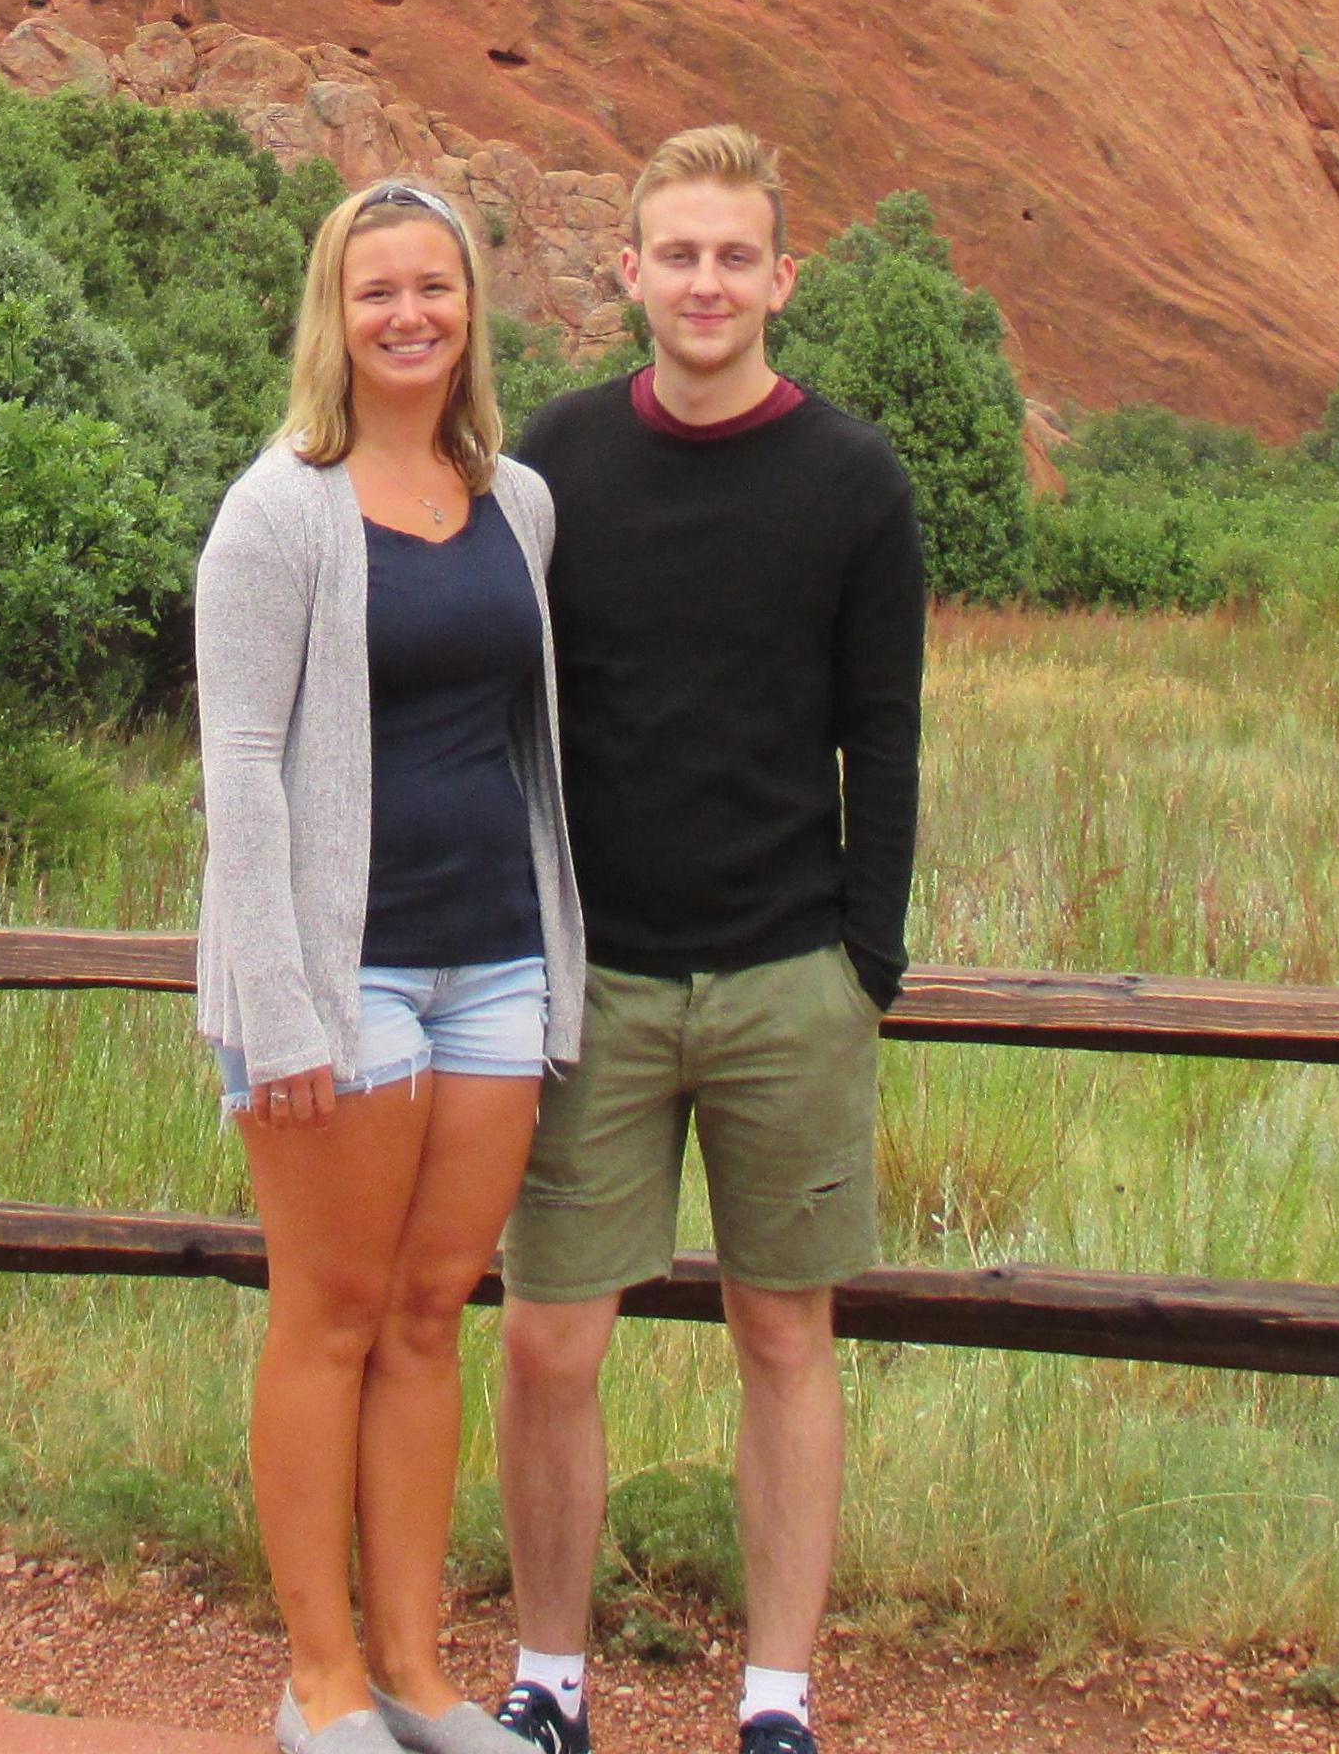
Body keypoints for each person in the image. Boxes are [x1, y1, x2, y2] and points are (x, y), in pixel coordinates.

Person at [490, 126, 925, 1754]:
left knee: (782, 1332)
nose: (705, 283)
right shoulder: (559, 464)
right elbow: (513, 700)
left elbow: (881, 735)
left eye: (735, 255)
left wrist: (858, 965)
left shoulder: (854, 484)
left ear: (781, 280)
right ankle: (549, 1682)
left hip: (784, 980)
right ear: (628, 273)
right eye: (677, 253)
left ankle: (777, 1697)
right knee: (548, 1337)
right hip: (589, 979)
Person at [195, 176, 588, 1754]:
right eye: (378, 292)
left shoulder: (521, 504)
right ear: (333, 317)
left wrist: (558, 955)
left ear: (470, 308)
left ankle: (421, 1679)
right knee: (332, 1314)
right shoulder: (280, 506)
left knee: (435, 1309)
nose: (410, 315)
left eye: (435, 288)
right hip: (336, 970)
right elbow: (237, 761)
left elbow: (524, 733)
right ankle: (321, 1683)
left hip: (493, 958)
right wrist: (275, 1003)